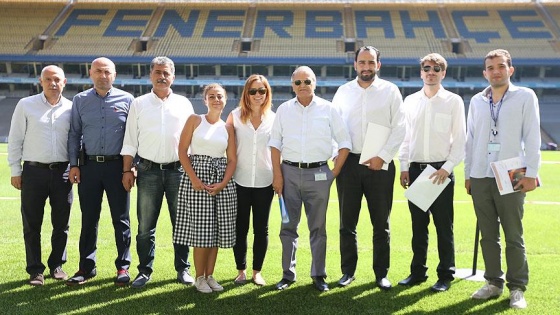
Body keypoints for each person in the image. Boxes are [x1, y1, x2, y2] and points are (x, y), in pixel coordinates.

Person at [465, 49, 540, 309]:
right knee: (487, 235)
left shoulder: (525, 96)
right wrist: (468, 174)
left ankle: (517, 287)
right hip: (481, 174)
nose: (495, 71)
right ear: (484, 72)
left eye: (500, 66)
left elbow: (532, 137)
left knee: (513, 234)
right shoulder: (476, 100)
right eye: (490, 67)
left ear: (510, 69)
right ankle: (493, 282)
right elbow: (470, 139)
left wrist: (531, 173)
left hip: (511, 172)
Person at [269, 66, 351, 292]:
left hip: (319, 174)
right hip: (289, 174)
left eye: (307, 81)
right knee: (287, 227)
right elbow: (275, 144)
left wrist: (333, 173)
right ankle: (288, 275)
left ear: (314, 83)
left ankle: (318, 275)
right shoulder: (284, 110)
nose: (302, 86)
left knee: (318, 228)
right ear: (292, 85)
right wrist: (277, 174)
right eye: (298, 83)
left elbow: (345, 143)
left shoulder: (328, 109)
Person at [331, 46, 405, 290]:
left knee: (381, 224)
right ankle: (347, 272)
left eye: (371, 62)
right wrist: (336, 156)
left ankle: (381, 274)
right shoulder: (343, 92)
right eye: (362, 62)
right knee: (347, 223)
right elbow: (333, 127)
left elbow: (400, 128)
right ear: (355, 65)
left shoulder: (390, 91)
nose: (366, 67)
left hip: (379, 164)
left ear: (378, 65)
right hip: (349, 163)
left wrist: (382, 157)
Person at [120, 56, 195, 289]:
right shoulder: (139, 103)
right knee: (145, 227)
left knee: (181, 224)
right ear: (150, 75)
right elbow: (130, 139)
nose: (162, 77)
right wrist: (127, 170)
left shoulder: (184, 104)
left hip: (178, 172)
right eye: (157, 72)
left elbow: (191, 141)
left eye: (166, 73)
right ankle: (144, 271)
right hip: (148, 171)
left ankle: (183, 269)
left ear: (173, 76)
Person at [397, 53, 466, 292]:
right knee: (418, 227)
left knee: (443, 227)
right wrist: (404, 167)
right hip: (416, 171)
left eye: (436, 68)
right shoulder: (410, 101)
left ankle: (446, 275)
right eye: (427, 68)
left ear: (443, 73)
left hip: (440, 172)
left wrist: (446, 169)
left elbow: (460, 140)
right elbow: (405, 139)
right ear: (421, 72)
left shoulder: (453, 101)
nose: (431, 72)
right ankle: (417, 272)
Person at [66, 57, 134, 286]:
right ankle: (86, 268)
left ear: (114, 75)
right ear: (90, 73)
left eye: (107, 72)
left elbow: (133, 137)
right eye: (98, 71)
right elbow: (74, 134)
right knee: (89, 219)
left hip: (118, 168)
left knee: (121, 220)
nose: (103, 75)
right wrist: (73, 164)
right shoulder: (80, 100)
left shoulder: (128, 99)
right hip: (89, 167)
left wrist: (130, 168)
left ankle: (123, 268)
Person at [7, 65, 73, 286]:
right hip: (33, 172)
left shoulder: (72, 108)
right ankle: (35, 270)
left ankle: (57, 265)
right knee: (32, 224)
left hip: (62, 172)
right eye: (48, 79)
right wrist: (16, 171)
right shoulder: (26, 105)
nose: (52, 83)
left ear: (64, 82)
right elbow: (15, 139)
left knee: (61, 223)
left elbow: (76, 142)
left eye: (57, 79)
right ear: (40, 81)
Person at [173, 83, 237, 293]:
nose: (216, 99)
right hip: (197, 179)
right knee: (202, 232)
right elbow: (182, 151)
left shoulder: (228, 128)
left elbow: (232, 160)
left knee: (216, 232)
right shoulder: (194, 120)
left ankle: (209, 275)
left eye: (220, 96)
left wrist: (223, 184)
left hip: (220, 181)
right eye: (212, 96)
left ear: (225, 99)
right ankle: (199, 277)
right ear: (205, 100)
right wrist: (194, 179)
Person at [226, 74, 275, 286]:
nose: (257, 95)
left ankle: (257, 271)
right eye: (253, 91)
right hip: (240, 181)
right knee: (240, 228)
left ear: (267, 94)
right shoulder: (234, 116)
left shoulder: (274, 118)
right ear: (247, 93)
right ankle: (241, 270)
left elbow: (277, 151)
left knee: (261, 228)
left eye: (261, 91)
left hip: (265, 181)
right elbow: (227, 149)